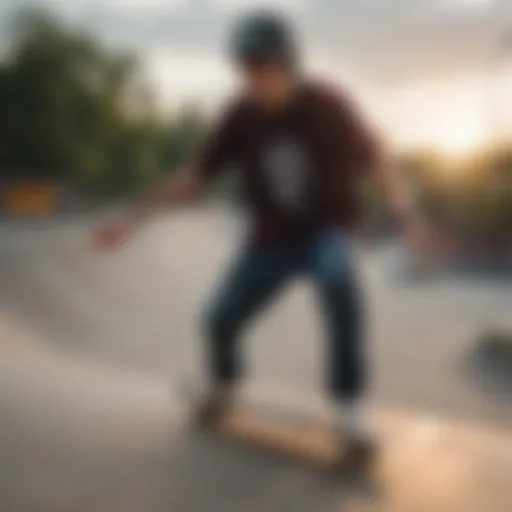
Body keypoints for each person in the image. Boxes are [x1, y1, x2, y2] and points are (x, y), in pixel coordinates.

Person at [93, 12, 426, 462]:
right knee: (217, 319)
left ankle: (348, 407)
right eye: (246, 72)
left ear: (288, 66)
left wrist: (405, 214)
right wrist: (133, 221)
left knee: (336, 275)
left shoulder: (329, 105)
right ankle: (223, 386)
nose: (253, 82)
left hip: (327, 230)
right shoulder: (239, 114)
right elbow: (195, 176)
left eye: (263, 71)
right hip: (271, 239)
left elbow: (380, 158)